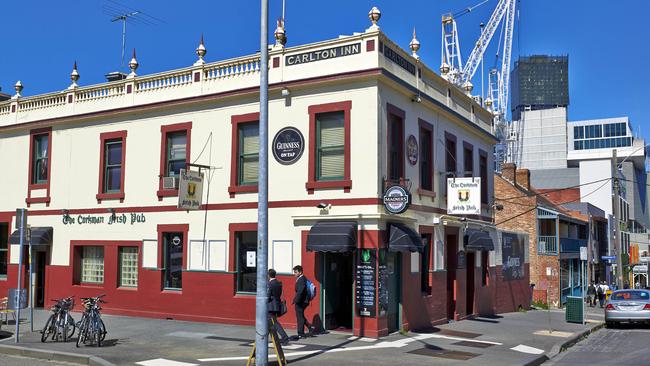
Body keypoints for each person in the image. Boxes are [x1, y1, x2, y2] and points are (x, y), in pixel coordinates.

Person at [268, 269, 289, 345]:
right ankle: (274, 337)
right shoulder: (279, 283)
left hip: (271, 305)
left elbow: (268, 295)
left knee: (274, 322)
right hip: (276, 304)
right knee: (271, 321)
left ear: (269, 275)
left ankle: (284, 336)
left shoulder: (270, 284)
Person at [292, 265, 314, 339]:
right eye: (294, 272)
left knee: (299, 317)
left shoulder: (301, 279)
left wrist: (296, 300)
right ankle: (310, 327)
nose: (294, 273)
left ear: (300, 272)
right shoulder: (302, 278)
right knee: (300, 315)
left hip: (301, 301)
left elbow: (300, 292)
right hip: (304, 300)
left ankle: (301, 333)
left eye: (295, 272)